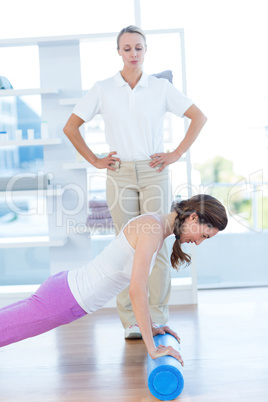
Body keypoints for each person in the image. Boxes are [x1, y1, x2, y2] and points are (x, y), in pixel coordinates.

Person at [63, 25, 207, 339]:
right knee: (124, 247)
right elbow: (71, 127)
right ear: (118, 52)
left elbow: (199, 117)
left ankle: (157, 317)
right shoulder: (103, 88)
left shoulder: (159, 88)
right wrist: (96, 160)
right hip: (120, 173)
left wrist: (176, 153)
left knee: (156, 245)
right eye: (127, 48)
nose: (133, 54)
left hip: (155, 170)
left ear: (145, 51)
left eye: (139, 48)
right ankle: (130, 322)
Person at [0, 195, 227, 364]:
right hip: (65, 299)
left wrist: (151, 326)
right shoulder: (152, 229)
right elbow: (136, 291)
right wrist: (153, 349)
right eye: (204, 235)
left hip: (64, 291)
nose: (198, 242)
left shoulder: (155, 227)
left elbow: (141, 290)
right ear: (194, 217)